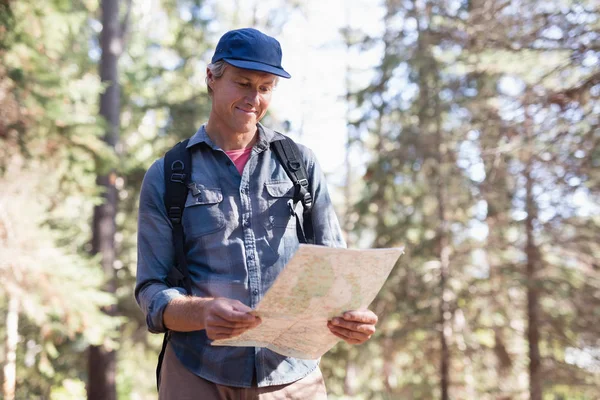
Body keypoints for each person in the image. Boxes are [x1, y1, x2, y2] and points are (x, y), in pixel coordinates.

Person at [135, 27, 379, 399]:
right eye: (243, 83)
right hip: (197, 372)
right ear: (211, 78)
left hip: (293, 375)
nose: (254, 98)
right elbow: (151, 290)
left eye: (265, 87)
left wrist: (351, 316)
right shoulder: (169, 173)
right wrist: (202, 312)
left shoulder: (299, 163)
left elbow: (336, 270)